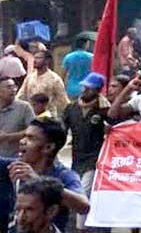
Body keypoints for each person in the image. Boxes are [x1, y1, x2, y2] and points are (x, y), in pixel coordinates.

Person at [0, 118, 90, 231]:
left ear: (48, 147)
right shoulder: (10, 167)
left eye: (30, 138)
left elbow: (84, 207)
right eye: (24, 136)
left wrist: (40, 182)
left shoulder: (63, 175)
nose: (22, 141)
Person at [61, 72, 110, 231]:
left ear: (97, 90)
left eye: (89, 89)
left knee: (83, 190)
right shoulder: (71, 108)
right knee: (77, 188)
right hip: (77, 158)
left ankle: (81, 228)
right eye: (84, 87)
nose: (84, 91)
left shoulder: (104, 110)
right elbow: (62, 129)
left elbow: (115, 123)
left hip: (94, 159)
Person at [16, 51, 69, 118]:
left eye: (38, 58)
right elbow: (21, 95)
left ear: (47, 61)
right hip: (31, 116)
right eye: (34, 58)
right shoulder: (30, 78)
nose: (35, 60)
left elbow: (63, 100)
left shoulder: (54, 79)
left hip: (48, 117)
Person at [0, 76, 34, 158]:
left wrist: (9, 137)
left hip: (15, 158)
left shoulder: (24, 107)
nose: (13, 90)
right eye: (9, 87)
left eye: (14, 86)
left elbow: (34, 130)